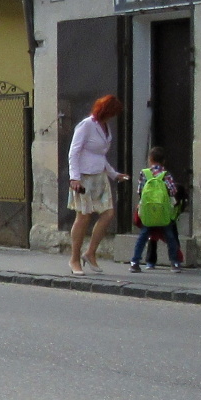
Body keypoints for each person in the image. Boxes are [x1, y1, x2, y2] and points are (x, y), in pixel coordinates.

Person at [66, 94, 131, 275]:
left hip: (100, 177)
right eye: (112, 113)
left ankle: (90, 253)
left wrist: (114, 174)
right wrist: (74, 178)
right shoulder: (86, 125)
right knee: (83, 217)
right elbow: (74, 152)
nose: (113, 117)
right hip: (84, 177)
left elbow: (100, 156)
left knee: (108, 214)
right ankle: (74, 259)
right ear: (105, 110)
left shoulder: (105, 127)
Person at [130, 146, 182, 273]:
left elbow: (140, 191)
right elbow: (173, 191)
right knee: (170, 236)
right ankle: (174, 263)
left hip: (148, 211)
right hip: (163, 211)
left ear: (150, 159)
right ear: (163, 161)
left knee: (143, 236)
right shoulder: (166, 174)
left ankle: (135, 262)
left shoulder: (145, 173)